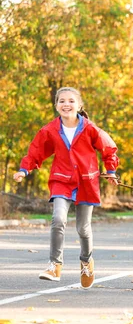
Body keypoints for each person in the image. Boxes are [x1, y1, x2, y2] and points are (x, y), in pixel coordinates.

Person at [13, 87, 119, 289]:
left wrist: (111, 170)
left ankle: (86, 262)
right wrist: (24, 170)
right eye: (62, 101)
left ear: (79, 105)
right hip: (61, 180)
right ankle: (54, 265)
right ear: (56, 106)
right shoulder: (49, 130)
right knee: (58, 219)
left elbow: (108, 148)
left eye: (71, 101)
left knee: (83, 229)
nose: (66, 104)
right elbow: (36, 152)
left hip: (86, 181)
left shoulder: (90, 128)